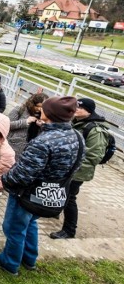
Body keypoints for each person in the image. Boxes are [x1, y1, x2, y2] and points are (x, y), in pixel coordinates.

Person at [0, 96, 80, 276]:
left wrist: (3, 180)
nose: (40, 109)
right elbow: (77, 165)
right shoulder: (76, 136)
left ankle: (9, 263)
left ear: (49, 113)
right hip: (47, 193)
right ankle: (29, 259)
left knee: (14, 228)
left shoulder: (43, 141)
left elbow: (22, 175)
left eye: (44, 108)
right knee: (30, 224)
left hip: (26, 194)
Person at [49, 98, 108, 240]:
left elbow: (94, 156)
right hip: (68, 168)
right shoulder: (77, 122)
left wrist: (73, 167)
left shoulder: (95, 129)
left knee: (69, 199)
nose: (76, 110)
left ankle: (69, 230)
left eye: (79, 108)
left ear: (88, 111)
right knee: (61, 192)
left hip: (78, 171)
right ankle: (55, 210)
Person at [6, 92, 49, 159]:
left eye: (42, 107)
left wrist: (42, 125)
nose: (39, 109)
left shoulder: (46, 115)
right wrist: (25, 122)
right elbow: (7, 125)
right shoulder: (21, 109)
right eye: (37, 106)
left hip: (31, 151)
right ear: (32, 104)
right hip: (12, 146)